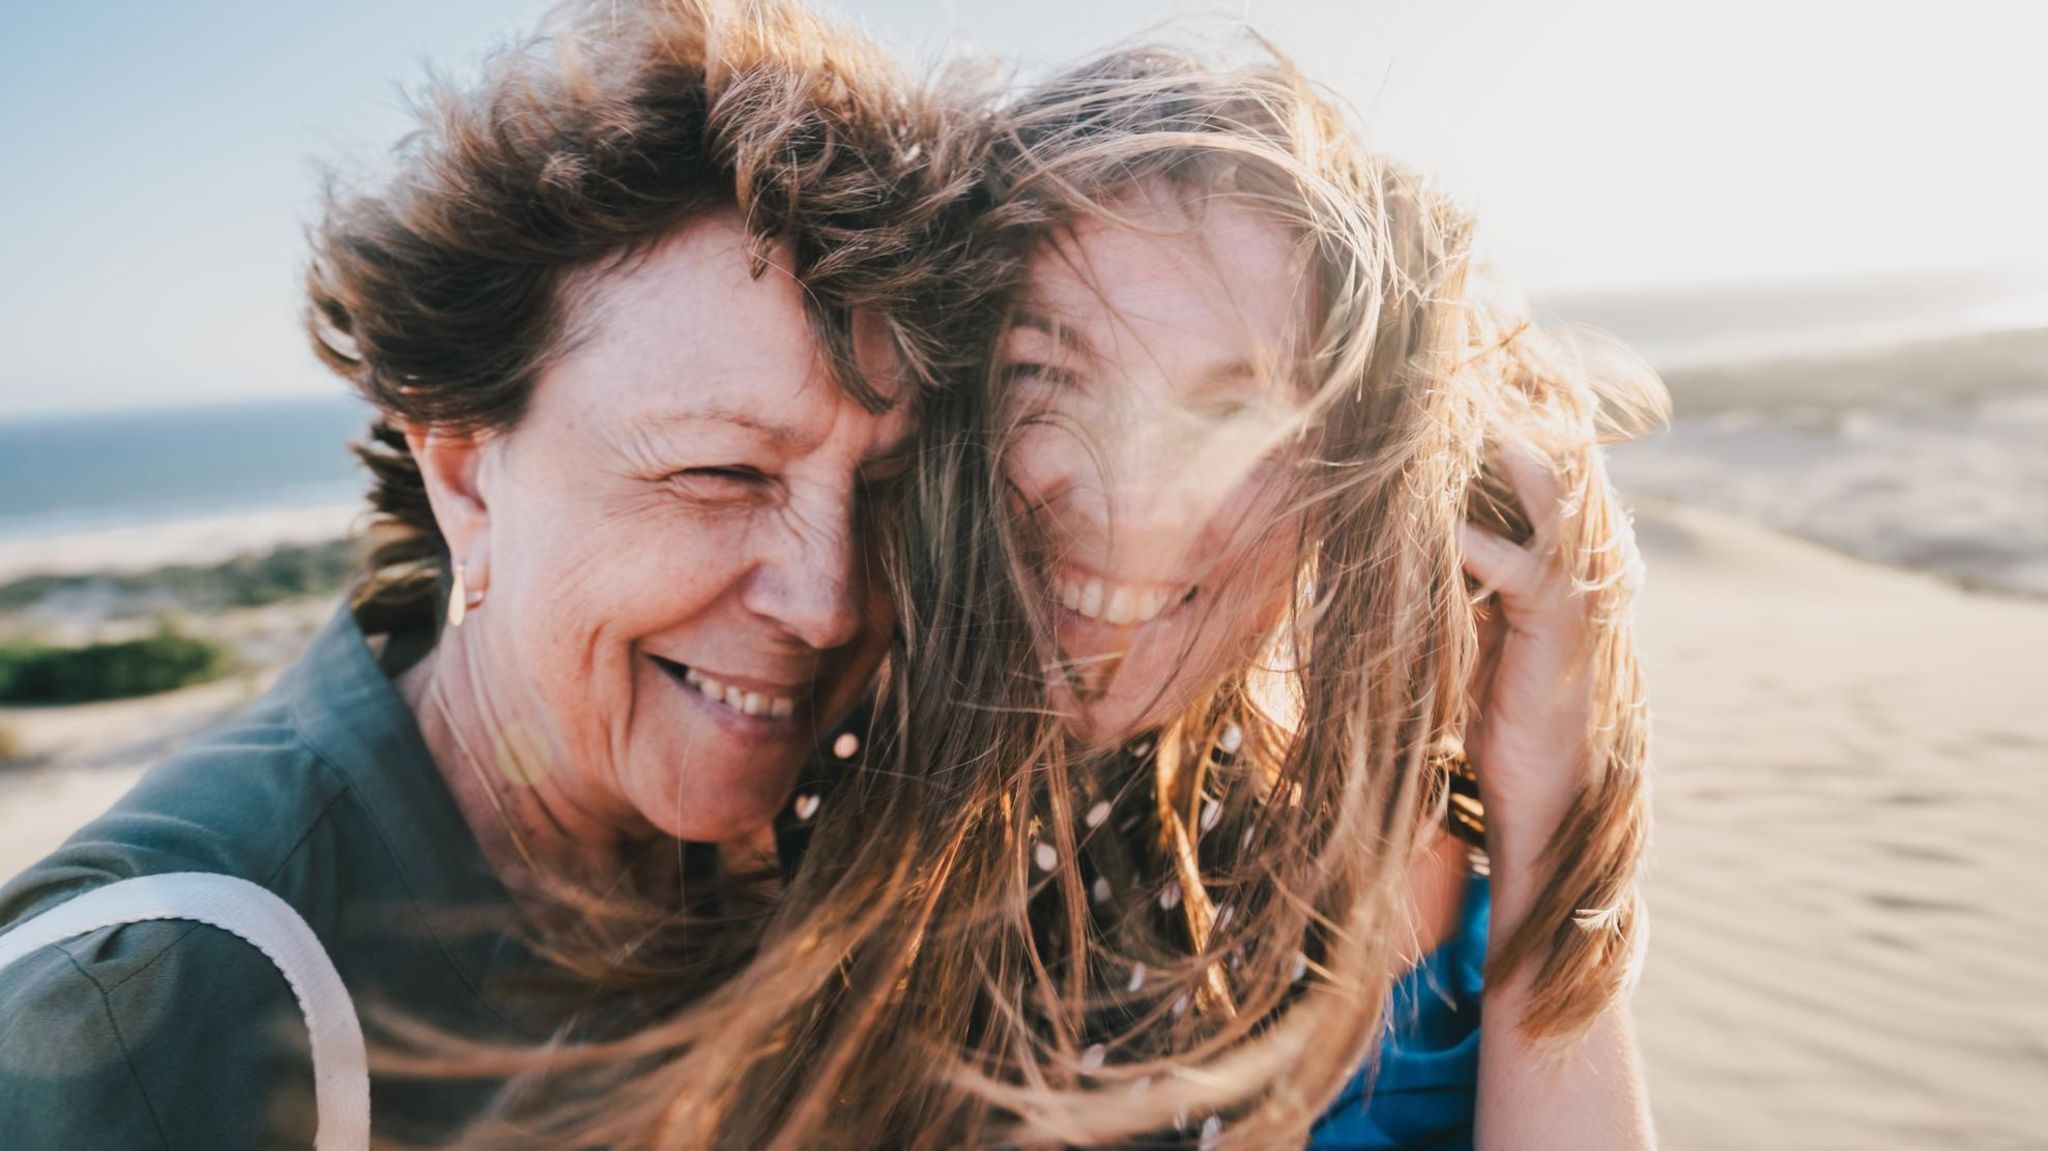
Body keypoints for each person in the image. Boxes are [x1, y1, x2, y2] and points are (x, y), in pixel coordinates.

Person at [0, 1, 990, 1146]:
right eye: (720, 471)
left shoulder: (790, 868)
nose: (828, 602)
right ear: (467, 479)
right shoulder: (158, 1004)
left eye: (885, 492)